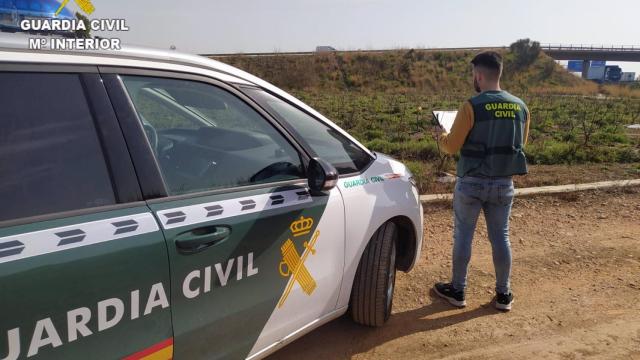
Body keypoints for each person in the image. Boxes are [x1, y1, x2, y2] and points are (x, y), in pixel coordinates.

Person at [433, 51, 530, 311]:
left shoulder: (471, 106)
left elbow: (452, 147)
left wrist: (440, 136)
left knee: (463, 235)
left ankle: (458, 291)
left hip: (471, 183)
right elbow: (521, 144)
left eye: (473, 75)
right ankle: (503, 294)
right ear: (499, 73)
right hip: (503, 184)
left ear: (478, 75)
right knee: (501, 237)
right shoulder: (521, 106)